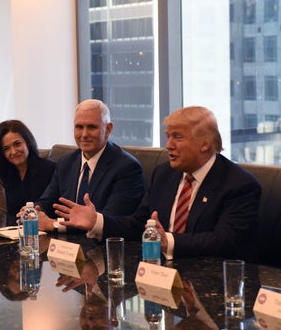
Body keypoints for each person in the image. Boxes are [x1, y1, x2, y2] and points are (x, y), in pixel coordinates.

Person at [53, 106, 261, 261]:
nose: (168, 145)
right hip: (159, 274)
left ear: (205, 143)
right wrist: (97, 221)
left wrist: (168, 241)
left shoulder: (238, 184)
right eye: (168, 137)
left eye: (177, 137)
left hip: (213, 280)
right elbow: (139, 224)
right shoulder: (165, 174)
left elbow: (224, 240)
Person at [32, 99, 144, 232]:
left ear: (108, 129)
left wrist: (56, 225)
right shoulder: (66, 162)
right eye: (79, 127)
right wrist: (34, 212)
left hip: (101, 246)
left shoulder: (127, 167)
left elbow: (109, 220)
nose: (84, 134)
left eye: (91, 127)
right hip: (64, 248)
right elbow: (47, 202)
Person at [0, 120, 55, 225]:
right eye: (6, 149)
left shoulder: (50, 169)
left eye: (17, 144)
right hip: (15, 233)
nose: (13, 152)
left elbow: (51, 207)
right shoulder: (5, 174)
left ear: (28, 142)